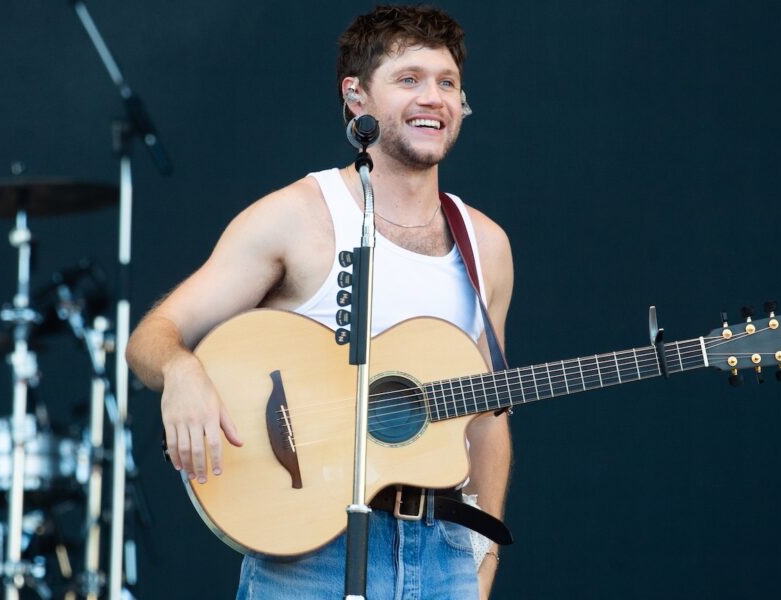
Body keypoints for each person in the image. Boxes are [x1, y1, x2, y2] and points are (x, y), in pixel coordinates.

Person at [126, 5, 513, 599]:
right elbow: (155, 333)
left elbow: (488, 416)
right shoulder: (298, 216)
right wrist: (180, 370)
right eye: (409, 79)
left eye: (447, 83)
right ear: (356, 97)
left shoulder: (485, 243)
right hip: (310, 558)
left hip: (443, 555)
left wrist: (481, 561)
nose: (432, 97)